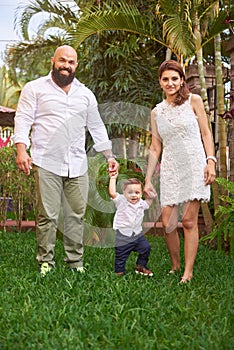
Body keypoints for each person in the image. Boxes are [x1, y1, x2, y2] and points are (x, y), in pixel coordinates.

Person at [13, 45, 118, 276]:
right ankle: (46, 261)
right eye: (62, 60)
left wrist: (109, 155)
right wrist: (22, 150)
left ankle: (75, 262)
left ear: (76, 65)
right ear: (53, 60)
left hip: (77, 164)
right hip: (46, 161)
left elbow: (96, 126)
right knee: (47, 215)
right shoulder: (35, 89)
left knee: (75, 215)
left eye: (71, 62)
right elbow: (22, 120)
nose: (66, 65)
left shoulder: (85, 94)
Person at [144, 60, 216, 284]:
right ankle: (175, 265)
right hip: (170, 168)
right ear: (160, 82)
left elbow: (206, 133)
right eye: (165, 79)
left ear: (182, 80)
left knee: (188, 221)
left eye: (174, 78)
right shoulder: (157, 112)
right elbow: (156, 147)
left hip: (195, 165)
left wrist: (210, 161)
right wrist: (147, 180)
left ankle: (188, 271)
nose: (170, 83)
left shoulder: (193, 101)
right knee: (167, 222)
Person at [109, 172, 154, 276]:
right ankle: (119, 271)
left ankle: (141, 266)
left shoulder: (141, 203)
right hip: (123, 236)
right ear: (124, 193)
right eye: (130, 192)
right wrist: (113, 178)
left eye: (137, 193)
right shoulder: (121, 201)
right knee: (121, 255)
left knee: (146, 248)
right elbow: (112, 193)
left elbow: (148, 204)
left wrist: (151, 196)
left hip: (137, 235)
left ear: (141, 194)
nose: (134, 195)